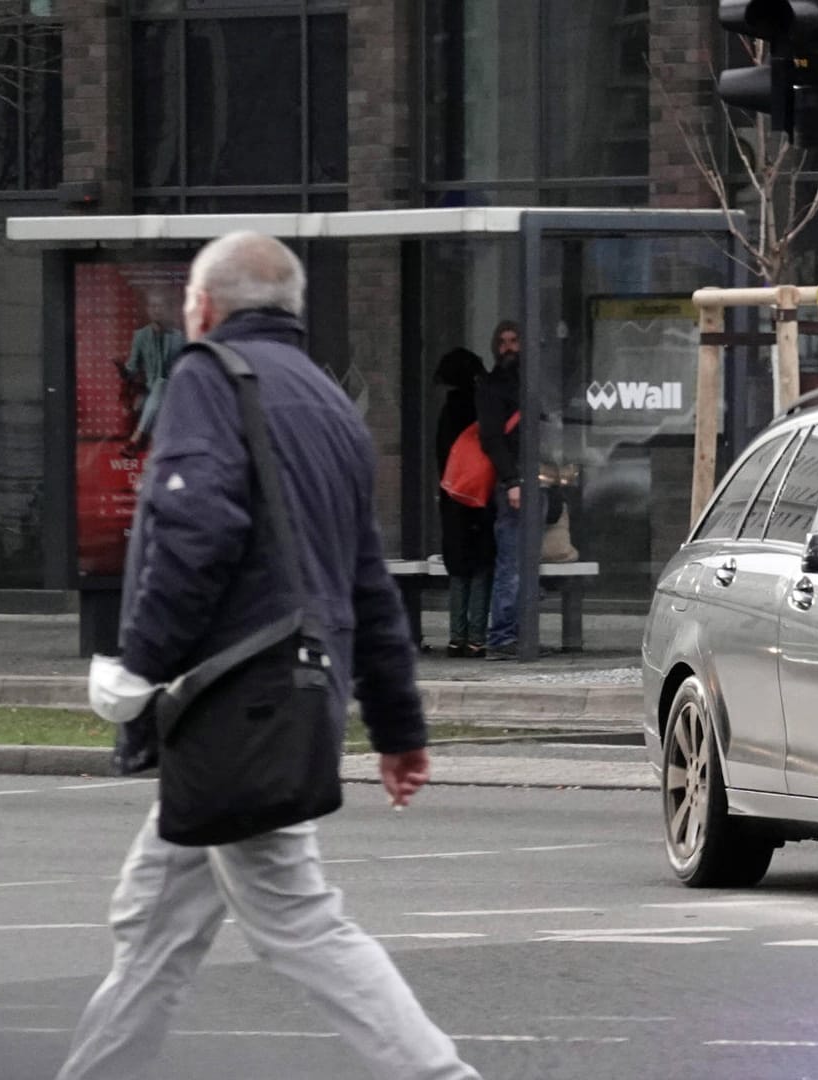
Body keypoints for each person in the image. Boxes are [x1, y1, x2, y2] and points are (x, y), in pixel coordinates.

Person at [66, 232, 480, 1080]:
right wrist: (400, 729)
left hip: (233, 710)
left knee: (300, 920)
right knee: (153, 922)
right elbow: (368, 585)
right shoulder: (331, 407)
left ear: (204, 308)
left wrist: (137, 666)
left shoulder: (206, 378)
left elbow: (195, 529)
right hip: (282, 701)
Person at [434, 347, 494, 658]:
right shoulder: (482, 404)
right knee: (481, 566)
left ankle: (457, 637)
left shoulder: (449, 409)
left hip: (453, 498)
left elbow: (442, 456)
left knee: (458, 568)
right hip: (481, 497)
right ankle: (477, 638)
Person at [474, 320, 523, 660]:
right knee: (512, 563)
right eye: (502, 341)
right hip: (513, 485)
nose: (508, 347)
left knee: (520, 562)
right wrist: (511, 481)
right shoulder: (493, 387)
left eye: (513, 341)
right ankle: (503, 636)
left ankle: (514, 632)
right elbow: (492, 438)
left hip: (532, 480)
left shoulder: (529, 383)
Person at [123, 291, 185, 454]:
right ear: (148, 309)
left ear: (166, 309)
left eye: (160, 306)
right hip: (149, 392)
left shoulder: (178, 337)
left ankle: (136, 438)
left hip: (174, 390)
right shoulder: (140, 336)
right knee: (157, 386)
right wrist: (124, 371)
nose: (157, 310)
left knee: (162, 383)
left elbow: (186, 365)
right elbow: (132, 368)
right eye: (153, 306)